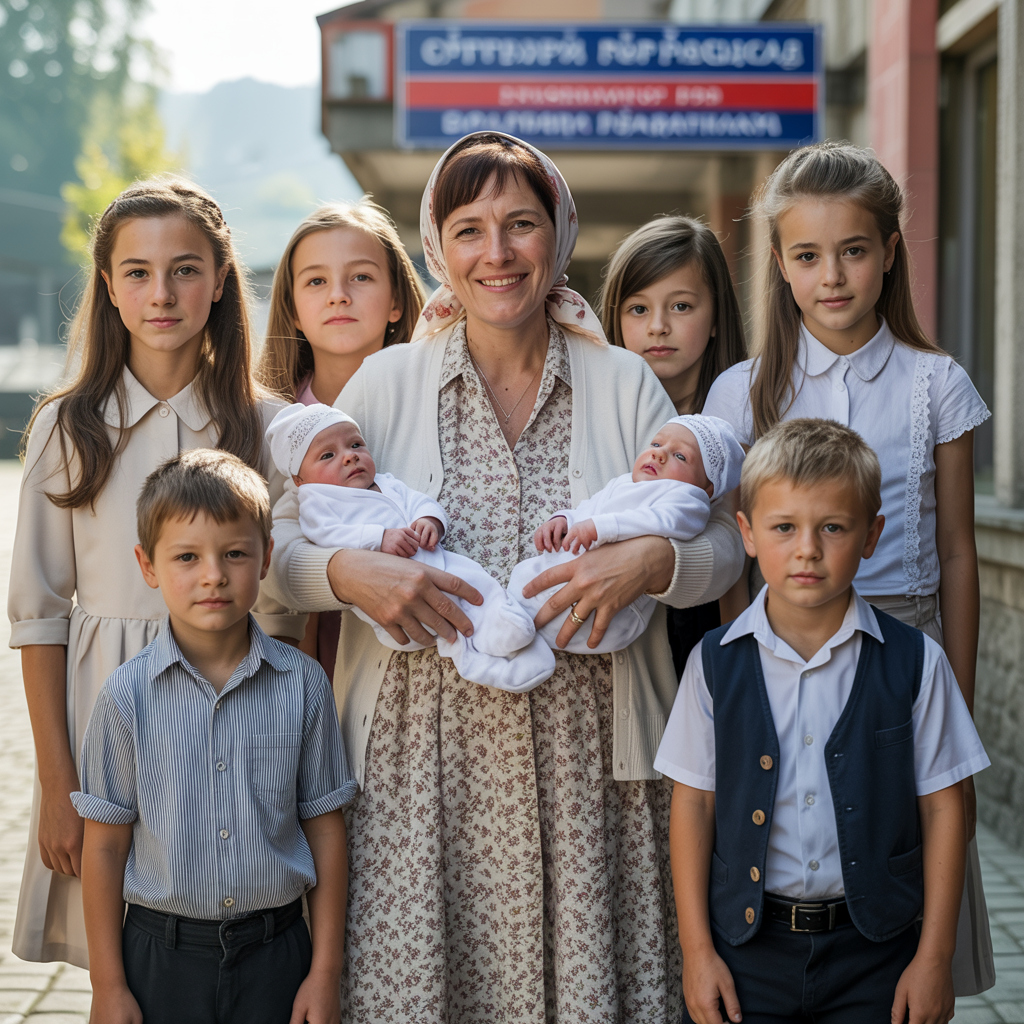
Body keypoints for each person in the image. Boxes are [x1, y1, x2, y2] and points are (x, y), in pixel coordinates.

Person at [263, 131, 746, 1021]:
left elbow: (725, 541)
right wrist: (346, 574)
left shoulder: (624, 382)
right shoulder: (381, 384)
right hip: (414, 778)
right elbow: (280, 557)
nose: (497, 252)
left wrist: (656, 561)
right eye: (470, 228)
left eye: (521, 223)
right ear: (436, 246)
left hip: (594, 777)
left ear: (557, 235)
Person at [702, 140, 995, 994]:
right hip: (778, 650)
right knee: (796, 848)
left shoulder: (936, 383)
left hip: (905, 649)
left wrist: (957, 699)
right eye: (807, 255)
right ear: (780, 265)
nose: (831, 276)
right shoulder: (741, 392)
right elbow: (731, 556)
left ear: (890, 252)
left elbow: (957, 549)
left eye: (854, 250)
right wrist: (738, 676)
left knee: (904, 864)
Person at [7, 178, 300, 969]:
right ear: (108, 286)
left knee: (225, 948)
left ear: (221, 279)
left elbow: (287, 613)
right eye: (137, 272)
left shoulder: (269, 428)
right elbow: (39, 618)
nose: (161, 294)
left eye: (185, 270)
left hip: (239, 721)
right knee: (117, 969)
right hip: (102, 725)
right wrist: (60, 787)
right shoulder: (67, 427)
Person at [657, 419, 988, 1024]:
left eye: (832, 527)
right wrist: (697, 953)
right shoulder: (714, 662)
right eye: (784, 527)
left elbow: (946, 808)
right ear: (747, 533)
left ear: (871, 535)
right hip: (746, 957)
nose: (807, 548)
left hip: (877, 958)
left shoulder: (917, 662)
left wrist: (935, 958)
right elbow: (694, 804)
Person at [74, 449, 354, 1024]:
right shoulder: (125, 696)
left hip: (278, 954)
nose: (213, 575)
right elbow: (104, 846)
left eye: (234, 553)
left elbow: (325, 829)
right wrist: (108, 985)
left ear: (266, 557)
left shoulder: (303, 685)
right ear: (148, 565)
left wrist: (324, 972)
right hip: (160, 959)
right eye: (186, 556)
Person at [266, 402, 553, 691]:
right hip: (393, 598)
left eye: (355, 445)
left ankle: (504, 618)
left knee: (475, 579)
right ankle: (478, 654)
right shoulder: (318, 502)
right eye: (328, 455)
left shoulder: (386, 483)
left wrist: (428, 520)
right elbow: (326, 534)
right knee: (448, 627)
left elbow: (417, 501)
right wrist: (378, 537)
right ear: (300, 480)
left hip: (437, 559)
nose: (350, 456)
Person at [257, 200, 426, 679]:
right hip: (296, 658)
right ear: (292, 309)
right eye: (316, 281)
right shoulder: (264, 422)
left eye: (361, 277)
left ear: (396, 301)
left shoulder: (428, 406)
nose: (338, 296)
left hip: (411, 657)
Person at [600, 216, 747, 676]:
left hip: (710, 642)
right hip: (616, 654)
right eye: (637, 309)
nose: (658, 327)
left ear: (717, 315)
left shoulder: (741, 421)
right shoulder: (601, 419)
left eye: (681, 306)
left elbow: (739, 563)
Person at [510, 414, 743, 655]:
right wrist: (564, 520)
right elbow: (588, 509)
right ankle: (512, 633)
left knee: (527, 611)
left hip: (615, 608)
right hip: (575, 573)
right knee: (522, 579)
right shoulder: (622, 483)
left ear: (708, 489)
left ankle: (512, 631)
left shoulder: (687, 499)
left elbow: (662, 522)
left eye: (680, 456)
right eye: (656, 444)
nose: (659, 454)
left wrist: (602, 526)